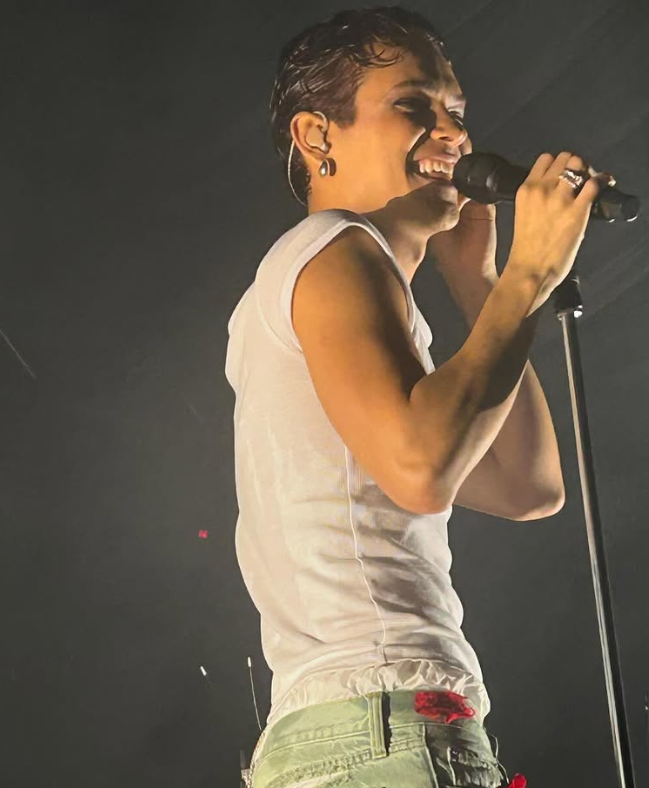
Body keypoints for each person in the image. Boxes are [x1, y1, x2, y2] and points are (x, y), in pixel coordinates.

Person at [225, 7, 612, 787]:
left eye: (457, 112)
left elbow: (528, 486)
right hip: (384, 725)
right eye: (413, 105)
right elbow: (423, 470)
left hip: (361, 732)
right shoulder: (334, 249)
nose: (455, 134)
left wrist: (481, 284)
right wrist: (533, 273)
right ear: (317, 135)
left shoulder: (338, 280)